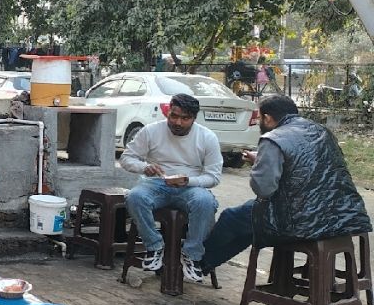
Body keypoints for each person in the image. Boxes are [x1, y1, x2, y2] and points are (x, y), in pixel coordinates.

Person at [200, 95, 371, 274]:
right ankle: (203, 264)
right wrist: (264, 160)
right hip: (346, 214)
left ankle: (198, 260)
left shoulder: (273, 138)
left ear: (267, 118)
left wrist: (260, 165)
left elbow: (264, 190)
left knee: (232, 218)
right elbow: (307, 166)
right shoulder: (321, 131)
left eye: (259, 118)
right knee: (249, 222)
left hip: (302, 220)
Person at [120, 93, 223, 283]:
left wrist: (188, 181)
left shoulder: (207, 137)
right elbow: (126, 158)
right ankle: (154, 245)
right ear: (168, 112)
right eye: (174, 116)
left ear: (194, 118)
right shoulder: (151, 131)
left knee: (205, 201)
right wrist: (145, 167)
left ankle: (192, 255)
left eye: (185, 118)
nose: (178, 122)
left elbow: (214, 176)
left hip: (191, 186)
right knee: (135, 196)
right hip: (157, 183)